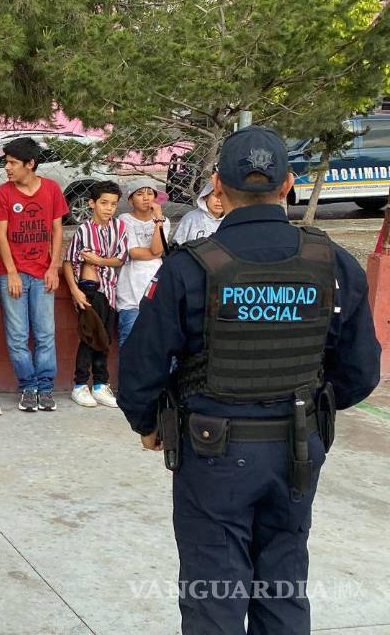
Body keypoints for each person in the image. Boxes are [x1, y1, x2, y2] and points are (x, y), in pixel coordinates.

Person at [117, 126, 381, 635]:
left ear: (217, 184)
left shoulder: (189, 267)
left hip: (212, 449)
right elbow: (360, 370)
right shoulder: (333, 262)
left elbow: (141, 365)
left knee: (213, 594)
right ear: (288, 184)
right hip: (298, 446)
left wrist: (147, 423)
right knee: (283, 584)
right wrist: (310, 405)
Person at [0, 137, 68, 412]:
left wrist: (53, 267)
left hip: (42, 273)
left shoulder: (52, 189)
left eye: (12, 163)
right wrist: (11, 273)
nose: (7, 168)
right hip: (13, 274)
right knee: (18, 335)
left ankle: (45, 388)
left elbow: (57, 230)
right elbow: (1, 235)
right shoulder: (4, 193)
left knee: (45, 333)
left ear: (30, 164)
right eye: (6, 162)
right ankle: (28, 387)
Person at [63, 180, 128, 408]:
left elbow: (120, 259)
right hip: (90, 289)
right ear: (92, 203)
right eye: (104, 203)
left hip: (111, 289)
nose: (109, 208)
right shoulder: (84, 229)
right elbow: (69, 261)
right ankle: (80, 384)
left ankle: (100, 385)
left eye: (113, 204)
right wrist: (75, 291)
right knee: (90, 336)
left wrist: (99, 260)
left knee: (105, 338)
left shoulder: (119, 227)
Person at [115, 178, 169, 348]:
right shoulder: (124, 219)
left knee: (160, 345)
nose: (146, 198)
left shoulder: (163, 221)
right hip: (130, 295)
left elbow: (157, 249)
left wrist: (158, 220)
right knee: (130, 343)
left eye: (150, 193)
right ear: (131, 200)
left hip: (156, 292)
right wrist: (153, 253)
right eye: (139, 194)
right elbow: (134, 253)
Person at [172, 180, 225, 246]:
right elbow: (176, 245)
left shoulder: (231, 221)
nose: (219, 200)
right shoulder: (191, 219)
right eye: (215, 195)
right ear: (205, 197)